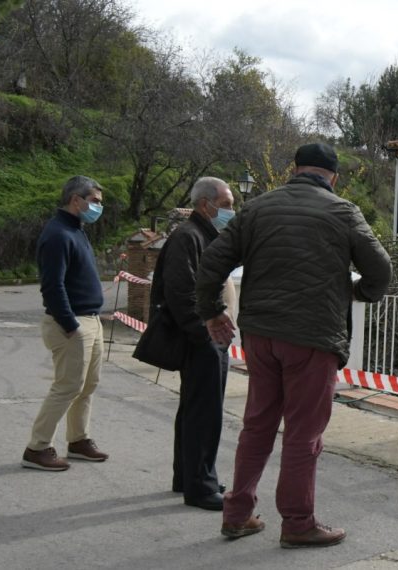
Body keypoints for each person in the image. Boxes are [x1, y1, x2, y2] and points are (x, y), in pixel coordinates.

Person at [195, 143, 391, 547]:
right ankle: (298, 522)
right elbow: (381, 269)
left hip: (261, 336)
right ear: (333, 176)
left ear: (295, 169)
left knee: (257, 425)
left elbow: (211, 264)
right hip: (314, 338)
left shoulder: (256, 209)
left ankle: (237, 513)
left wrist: (213, 313)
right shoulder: (342, 211)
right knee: (303, 434)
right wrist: (360, 292)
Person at [151, 177, 235, 510]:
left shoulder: (202, 235)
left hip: (208, 337)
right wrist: (206, 333)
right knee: (204, 413)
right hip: (203, 338)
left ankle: (188, 476)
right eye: (226, 204)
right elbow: (182, 292)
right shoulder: (188, 237)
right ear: (206, 204)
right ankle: (200, 486)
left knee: (195, 409)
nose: (231, 210)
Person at [22, 176, 110, 471]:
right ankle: (37, 448)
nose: (99, 206)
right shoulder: (58, 234)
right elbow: (52, 286)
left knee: (87, 386)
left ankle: (78, 441)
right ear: (76, 200)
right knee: (67, 386)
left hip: (90, 320)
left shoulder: (76, 230)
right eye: (95, 201)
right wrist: (70, 325)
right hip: (72, 324)